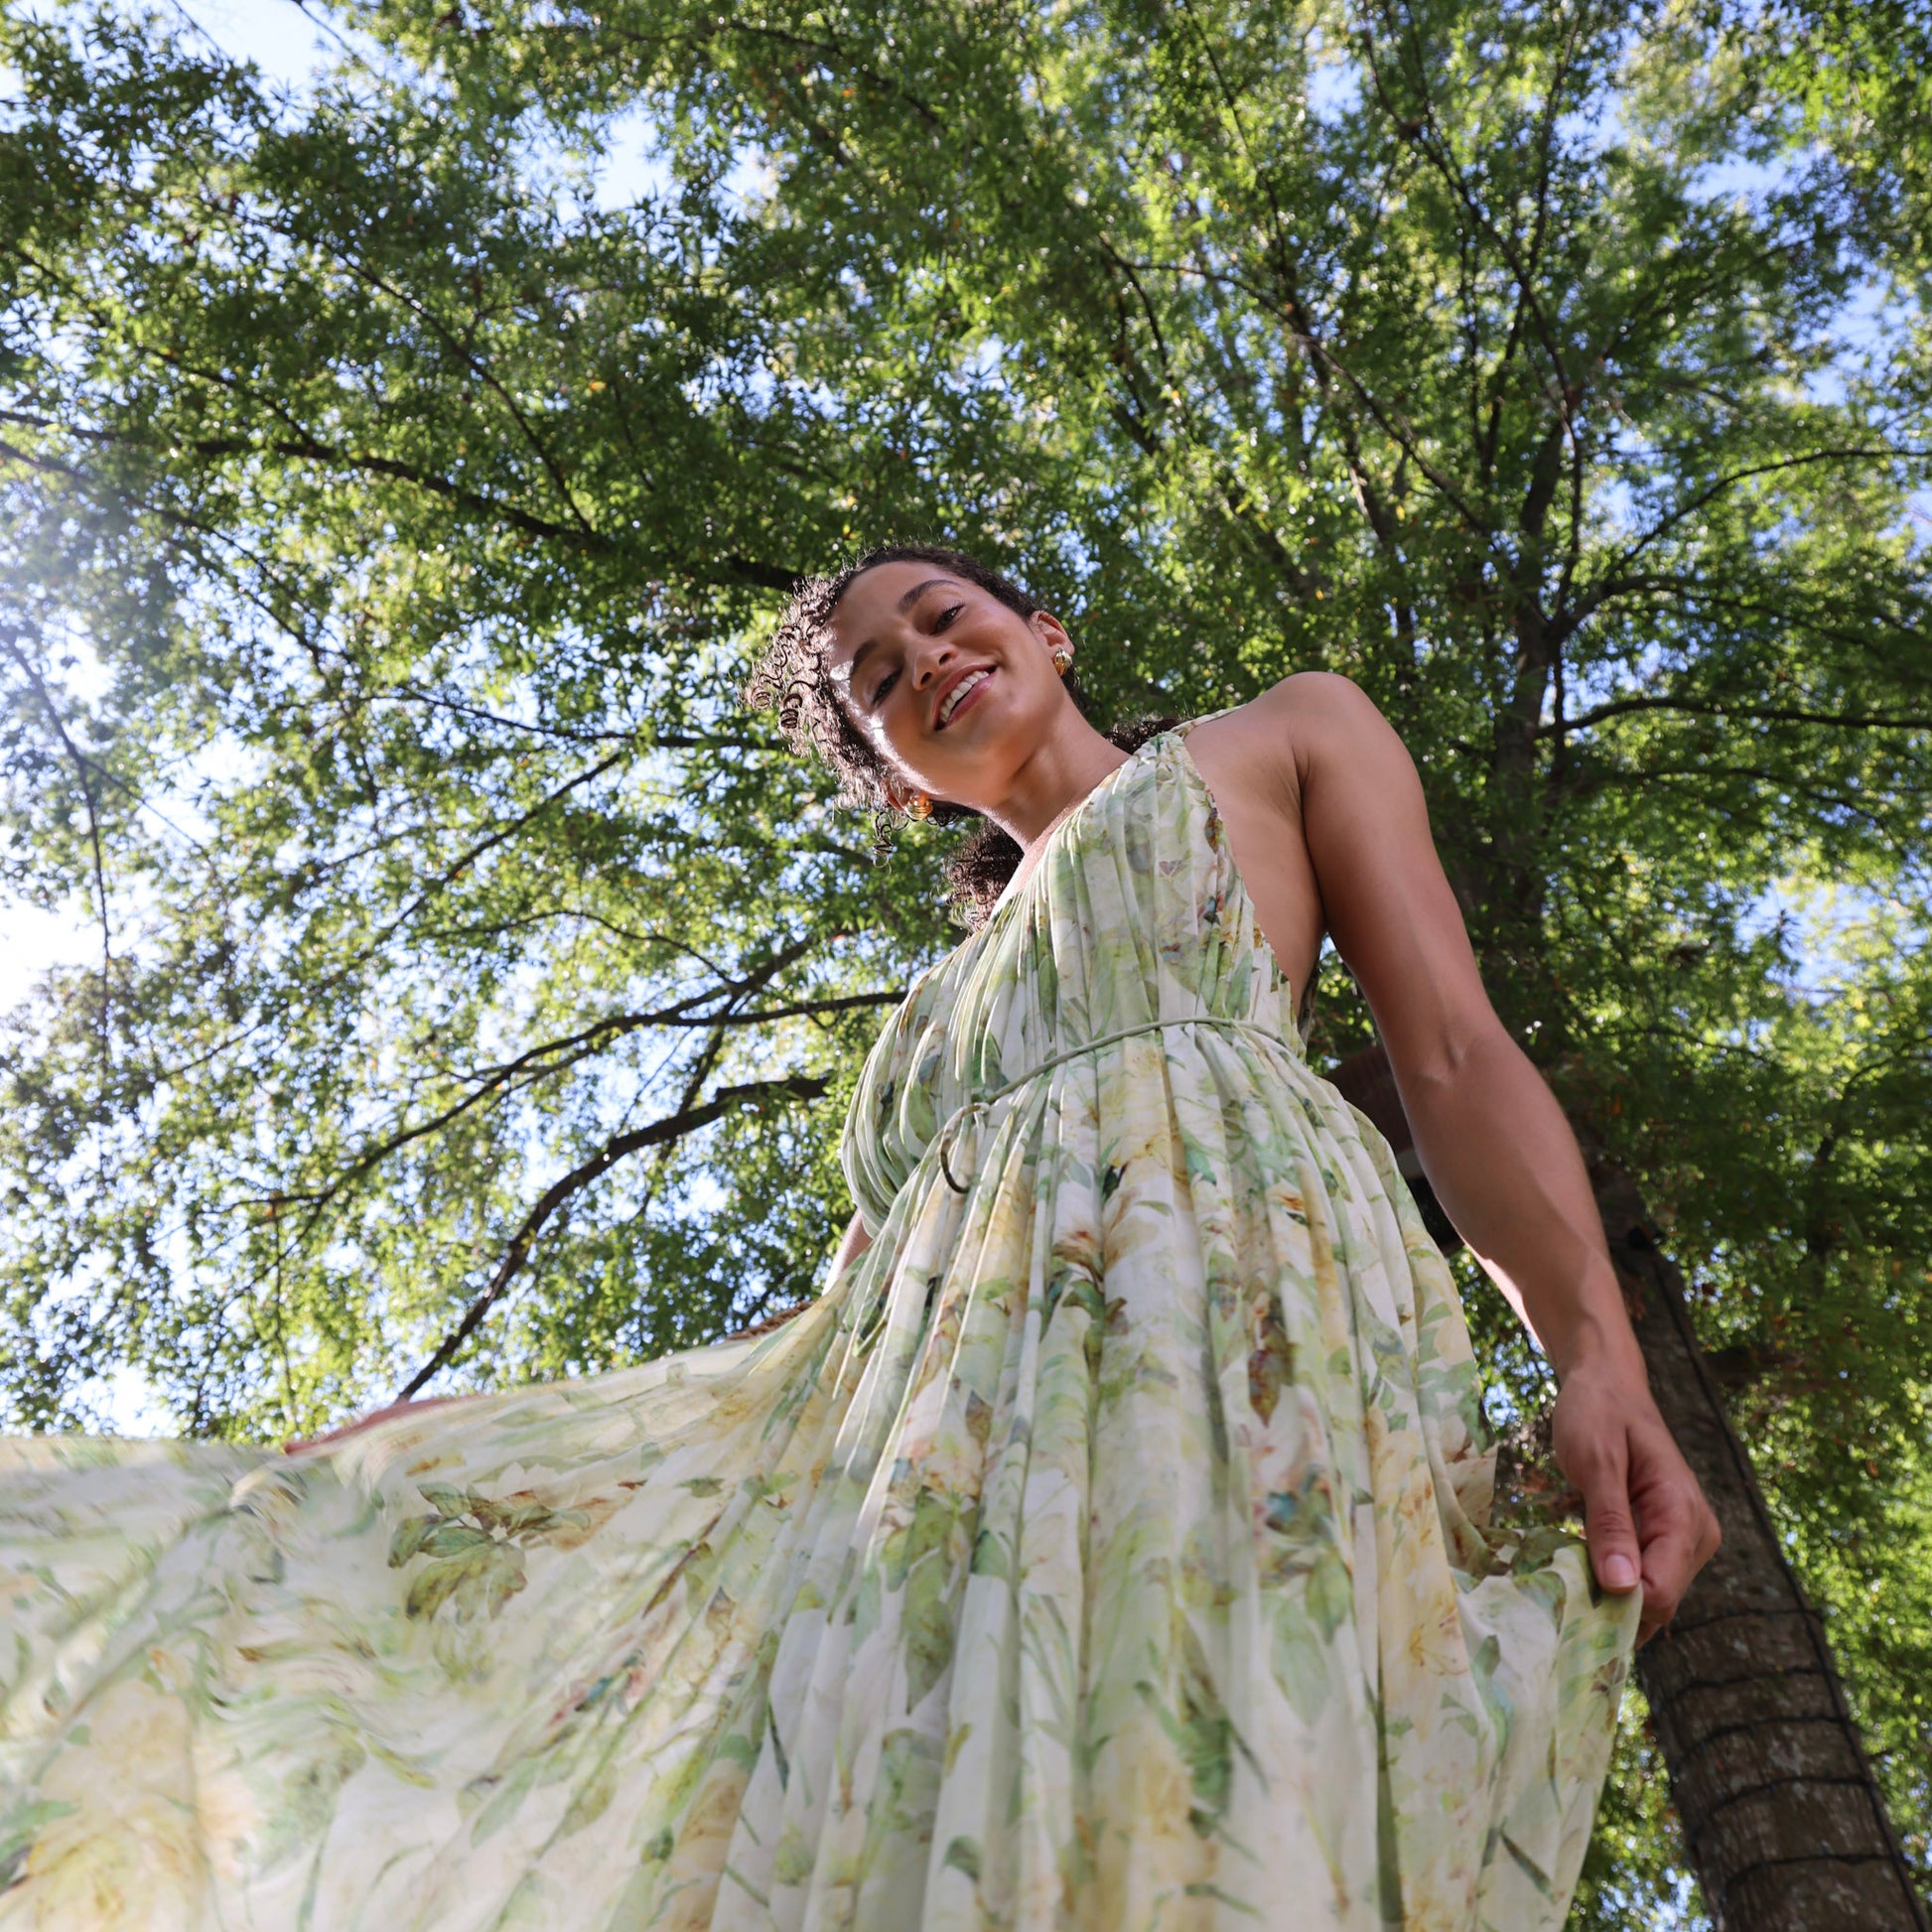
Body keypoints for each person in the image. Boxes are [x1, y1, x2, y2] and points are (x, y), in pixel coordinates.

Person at [0, 544, 1719, 1931]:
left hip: (1229, 1329)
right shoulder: (924, 1026)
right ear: (900, 784)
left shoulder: (1276, 738)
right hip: (937, 1464)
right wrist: (440, 1457)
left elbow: (1449, 1055)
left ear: (1040, 626)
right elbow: (817, 1345)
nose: (921, 661)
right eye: (879, 682)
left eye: (939, 616)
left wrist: (1590, 1343)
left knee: (1208, 1753)